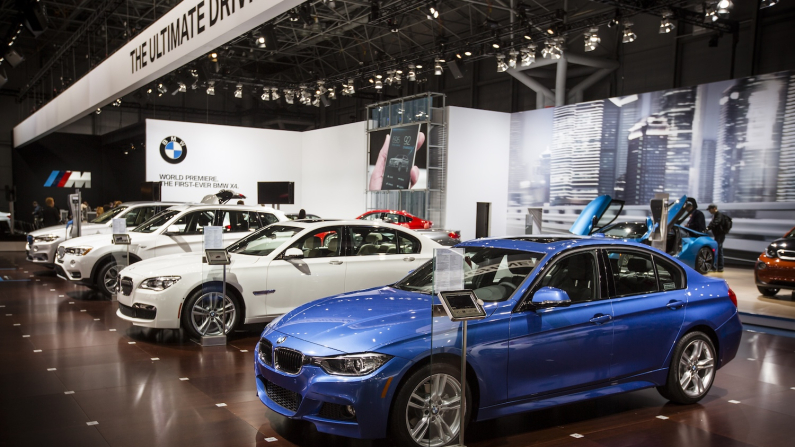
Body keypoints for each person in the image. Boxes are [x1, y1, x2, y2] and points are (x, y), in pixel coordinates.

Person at [706, 204, 729, 272]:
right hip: (718, 235)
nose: (709, 211)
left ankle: (720, 267)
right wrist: (708, 227)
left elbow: (715, 222)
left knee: (719, 250)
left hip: (720, 235)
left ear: (714, 208)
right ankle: (717, 266)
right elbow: (712, 223)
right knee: (718, 249)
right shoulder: (715, 215)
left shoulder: (719, 215)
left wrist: (708, 228)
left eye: (710, 209)